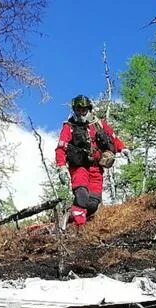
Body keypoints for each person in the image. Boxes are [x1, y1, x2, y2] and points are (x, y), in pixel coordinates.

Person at [55, 95, 127, 226]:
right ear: (74, 110)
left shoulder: (98, 124)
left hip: (96, 169)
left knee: (93, 204)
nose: (81, 113)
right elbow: (60, 148)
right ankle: (79, 229)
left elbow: (113, 137)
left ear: (89, 109)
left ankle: (71, 219)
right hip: (79, 167)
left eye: (84, 110)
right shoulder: (69, 127)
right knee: (81, 195)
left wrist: (123, 148)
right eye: (78, 110)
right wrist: (61, 167)